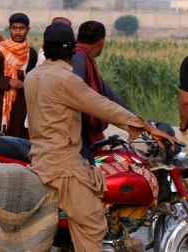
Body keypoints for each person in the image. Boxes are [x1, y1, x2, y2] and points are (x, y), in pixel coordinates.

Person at [25, 23, 175, 252]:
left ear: (45, 47)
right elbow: (103, 106)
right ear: (72, 49)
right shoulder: (66, 80)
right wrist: (146, 127)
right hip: (63, 168)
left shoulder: (33, 76)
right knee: (93, 224)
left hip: (39, 158)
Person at [70, 20, 129, 160]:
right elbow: (82, 96)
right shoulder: (79, 58)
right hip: (78, 137)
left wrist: (139, 122)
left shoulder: (81, 57)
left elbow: (110, 95)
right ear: (101, 42)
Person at [0, 12, 37, 139]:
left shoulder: (31, 53)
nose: (17, 32)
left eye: (21, 28)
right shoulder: (0, 50)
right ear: (9, 29)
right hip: (1, 105)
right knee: (1, 141)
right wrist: (8, 82)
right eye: (14, 28)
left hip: (23, 106)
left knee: (20, 142)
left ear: (28, 30)